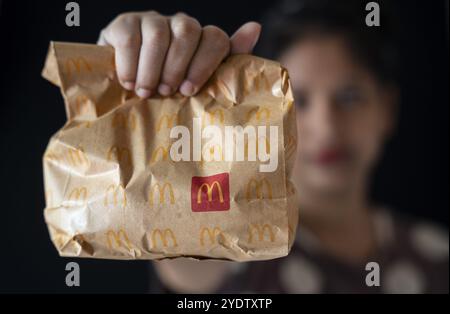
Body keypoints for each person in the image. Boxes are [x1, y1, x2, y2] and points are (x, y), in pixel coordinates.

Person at [97, 0, 449, 293]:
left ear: (386, 108)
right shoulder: (237, 245)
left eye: (350, 97)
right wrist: (154, 95)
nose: (326, 129)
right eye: (299, 100)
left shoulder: (437, 255)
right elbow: (186, 251)